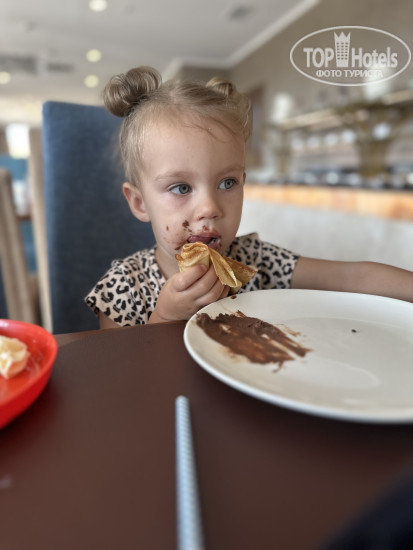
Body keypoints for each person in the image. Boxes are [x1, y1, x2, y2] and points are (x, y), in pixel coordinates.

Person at [85, 66, 413, 328]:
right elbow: (122, 375)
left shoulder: (256, 262)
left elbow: (350, 276)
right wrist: (165, 318)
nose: (210, 208)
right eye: (181, 188)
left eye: (227, 183)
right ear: (140, 203)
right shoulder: (124, 286)